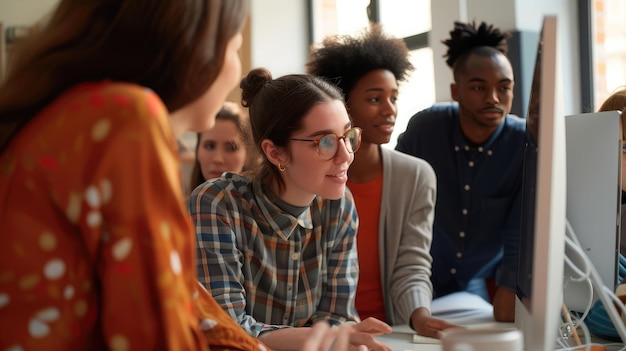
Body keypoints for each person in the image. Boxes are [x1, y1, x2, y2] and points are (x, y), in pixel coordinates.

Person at [0, 1, 365, 350]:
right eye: (235, 48)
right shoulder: (128, 119)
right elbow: (158, 331)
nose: (235, 72)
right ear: (194, 51)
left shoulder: (87, 114)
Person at [188, 67, 394, 351]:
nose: (346, 155)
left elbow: (336, 316)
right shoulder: (216, 205)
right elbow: (223, 331)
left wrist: (339, 336)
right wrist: (322, 338)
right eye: (325, 142)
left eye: (347, 136)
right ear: (275, 152)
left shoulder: (340, 205)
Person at [305, 24, 458, 338]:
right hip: (321, 334)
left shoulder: (416, 176)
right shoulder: (311, 176)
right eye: (375, 99)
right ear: (342, 105)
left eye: (393, 98)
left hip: (390, 331)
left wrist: (420, 316)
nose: (390, 110)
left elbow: (413, 263)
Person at [395, 20, 526, 322]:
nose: (493, 98)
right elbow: (395, 197)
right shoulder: (426, 127)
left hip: (473, 290)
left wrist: (511, 288)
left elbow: (521, 229)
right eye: (479, 87)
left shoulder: (524, 142)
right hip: (414, 280)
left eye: (504, 88)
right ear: (456, 90)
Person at [189, 101, 253, 191]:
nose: (218, 159)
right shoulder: (179, 204)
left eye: (231, 148)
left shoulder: (262, 204)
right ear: (198, 150)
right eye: (210, 146)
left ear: (247, 155)